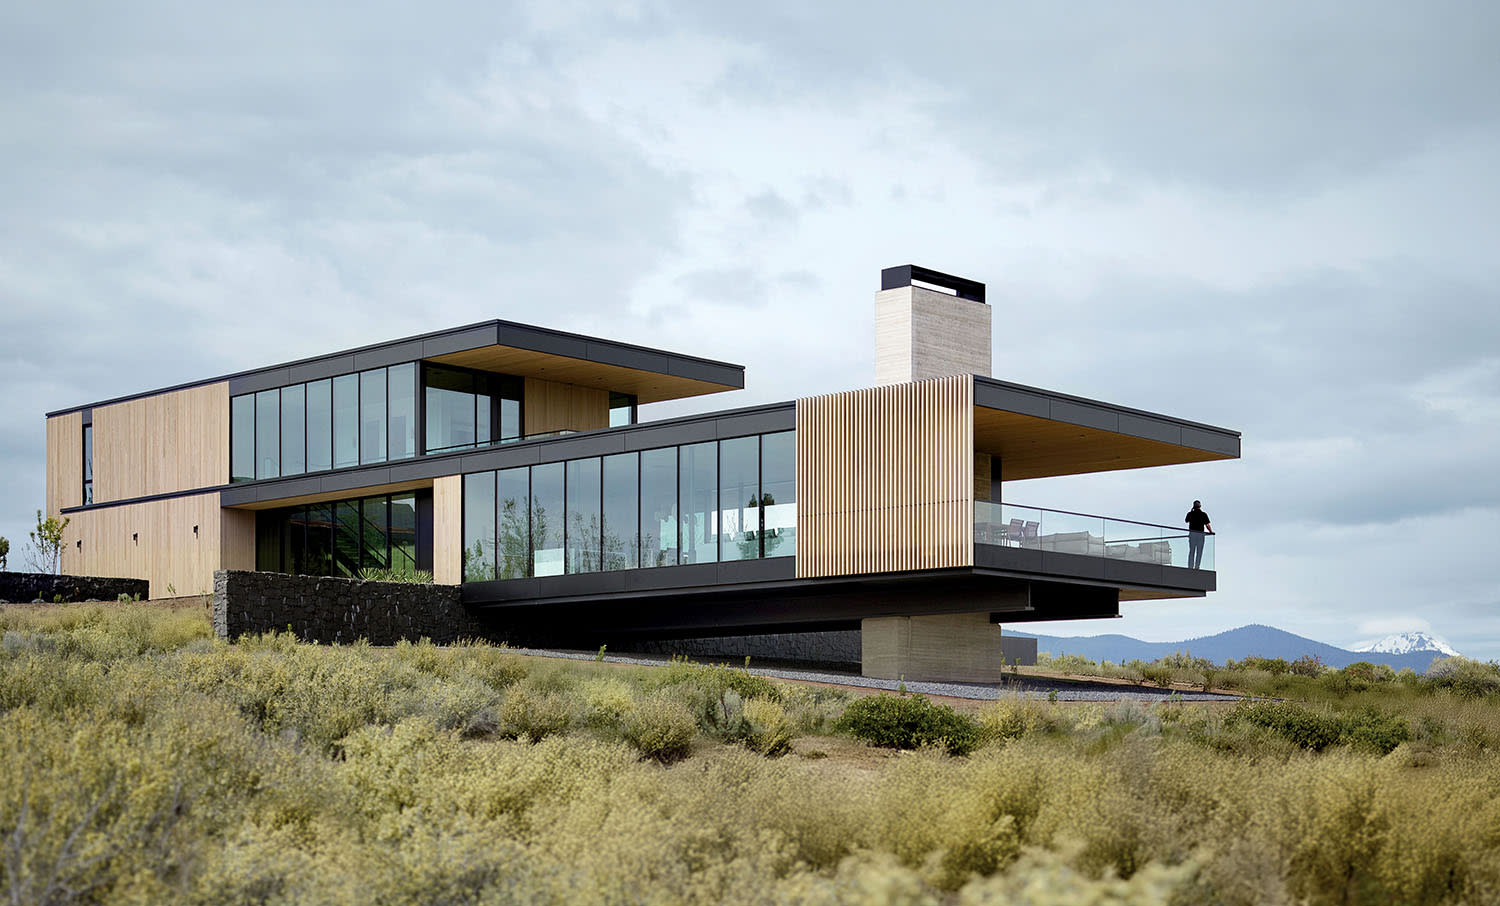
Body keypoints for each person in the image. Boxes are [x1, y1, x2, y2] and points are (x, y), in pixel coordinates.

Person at [1184, 500, 1213, 569]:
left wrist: (1191, 511)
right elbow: (1207, 525)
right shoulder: (1203, 514)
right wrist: (1211, 531)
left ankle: (1190, 566)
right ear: (1200, 506)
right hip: (1200, 535)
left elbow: (1186, 520)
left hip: (1192, 535)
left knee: (1192, 551)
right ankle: (1197, 566)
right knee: (1199, 552)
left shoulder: (1190, 514)